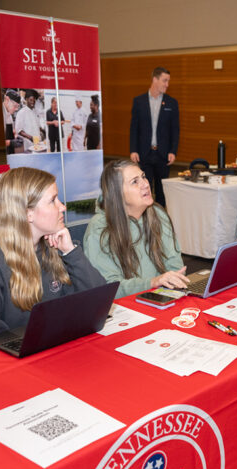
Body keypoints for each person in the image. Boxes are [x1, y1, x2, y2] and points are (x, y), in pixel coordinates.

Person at [0, 167, 106, 343]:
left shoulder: (50, 245)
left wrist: (70, 252)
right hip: (14, 355)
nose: (63, 207)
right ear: (27, 213)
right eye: (53, 201)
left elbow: (98, 302)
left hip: (51, 344)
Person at [83, 160, 189, 298]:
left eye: (143, 177)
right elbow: (109, 287)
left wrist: (174, 279)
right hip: (123, 306)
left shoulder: (158, 214)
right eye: (135, 182)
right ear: (117, 193)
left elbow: (174, 264)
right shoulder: (99, 228)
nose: (145, 184)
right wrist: (152, 283)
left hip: (161, 296)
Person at [130, 67, 180, 207]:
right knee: (144, 190)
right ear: (155, 80)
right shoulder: (139, 101)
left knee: (161, 192)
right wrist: (133, 150)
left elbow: (175, 130)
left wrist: (173, 151)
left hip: (163, 155)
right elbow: (134, 128)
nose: (167, 84)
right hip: (144, 154)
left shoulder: (172, 103)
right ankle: (147, 217)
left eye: (168, 81)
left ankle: (160, 218)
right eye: (164, 80)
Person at [2, 89, 21, 154]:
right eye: (15, 106)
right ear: (7, 100)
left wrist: (16, 137)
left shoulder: (9, 115)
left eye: (18, 106)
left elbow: (11, 132)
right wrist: (10, 142)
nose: (16, 109)